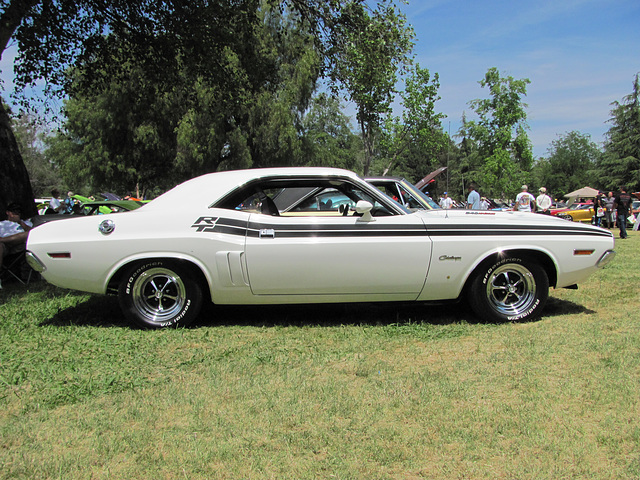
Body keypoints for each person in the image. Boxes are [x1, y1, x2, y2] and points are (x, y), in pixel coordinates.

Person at [0, 203, 33, 289]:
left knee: (27, 234)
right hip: (4, 247)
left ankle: (2, 240)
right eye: (14, 212)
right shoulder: (2, 224)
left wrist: (20, 222)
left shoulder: (26, 223)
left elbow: (33, 233)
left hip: (18, 245)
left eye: (18, 212)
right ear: (8, 212)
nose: (16, 214)